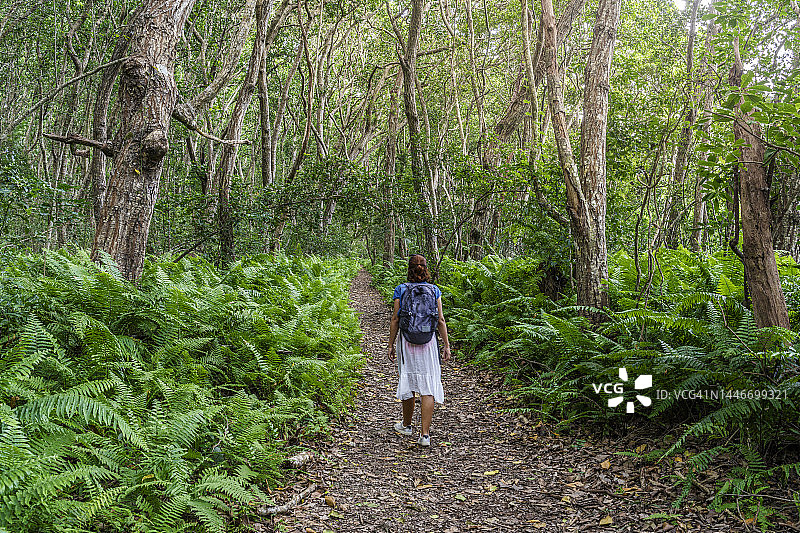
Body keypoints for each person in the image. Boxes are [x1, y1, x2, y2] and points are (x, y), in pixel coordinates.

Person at [387, 254, 451, 446]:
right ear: (426, 269)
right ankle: (424, 435)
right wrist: (446, 345)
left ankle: (406, 425)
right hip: (428, 342)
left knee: (408, 379)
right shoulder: (435, 290)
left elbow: (395, 320)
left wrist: (390, 344)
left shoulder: (401, 289)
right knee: (428, 385)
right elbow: (440, 320)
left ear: (409, 269)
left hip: (406, 340)